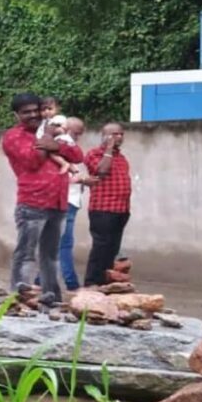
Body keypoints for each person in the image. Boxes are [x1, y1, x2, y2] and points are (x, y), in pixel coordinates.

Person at [1, 92, 84, 303]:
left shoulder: (54, 131)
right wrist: (47, 138)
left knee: (51, 255)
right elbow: (33, 161)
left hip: (58, 202)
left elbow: (77, 155)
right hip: (32, 203)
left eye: (36, 110)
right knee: (26, 253)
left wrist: (55, 144)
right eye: (26, 112)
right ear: (16, 115)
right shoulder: (13, 136)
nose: (33, 115)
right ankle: (18, 299)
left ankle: (51, 298)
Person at [83, 123, 132, 287]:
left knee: (113, 248)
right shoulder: (94, 154)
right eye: (115, 134)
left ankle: (105, 281)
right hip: (103, 209)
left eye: (121, 134)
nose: (119, 137)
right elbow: (102, 171)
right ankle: (91, 282)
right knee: (100, 247)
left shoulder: (122, 158)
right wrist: (109, 150)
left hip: (121, 209)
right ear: (104, 136)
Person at [57, 117, 94, 291]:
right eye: (77, 133)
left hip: (69, 201)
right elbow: (56, 177)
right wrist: (80, 179)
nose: (78, 138)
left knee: (59, 243)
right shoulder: (63, 142)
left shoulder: (61, 147)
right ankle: (71, 283)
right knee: (64, 244)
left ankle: (39, 281)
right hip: (65, 201)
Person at [37, 96, 74, 175]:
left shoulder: (59, 118)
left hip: (61, 140)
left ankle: (65, 164)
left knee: (52, 153)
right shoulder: (43, 122)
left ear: (57, 109)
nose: (46, 111)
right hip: (51, 141)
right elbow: (40, 133)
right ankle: (71, 167)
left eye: (50, 109)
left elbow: (64, 128)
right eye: (43, 110)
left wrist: (57, 131)